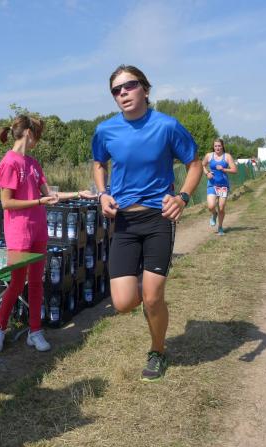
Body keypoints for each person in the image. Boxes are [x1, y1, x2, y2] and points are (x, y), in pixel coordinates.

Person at [92, 65, 202, 382]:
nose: (122, 93)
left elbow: (195, 164)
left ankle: (157, 350)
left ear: (145, 88)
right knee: (123, 302)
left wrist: (182, 197)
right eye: (116, 90)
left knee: (152, 297)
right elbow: (99, 163)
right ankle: (150, 301)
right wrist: (102, 194)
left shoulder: (167, 126)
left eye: (129, 86)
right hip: (124, 222)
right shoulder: (105, 130)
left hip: (158, 218)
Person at [0, 114, 95, 353]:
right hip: (19, 232)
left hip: (39, 230)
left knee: (37, 282)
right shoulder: (9, 163)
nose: (38, 141)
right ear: (28, 133)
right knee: (17, 283)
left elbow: (50, 195)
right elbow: (7, 203)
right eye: (37, 136)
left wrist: (78, 193)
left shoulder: (34, 164)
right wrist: (38, 201)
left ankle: (35, 331)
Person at [202, 139, 237, 235]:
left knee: (221, 208)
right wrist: (207, 173)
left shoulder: (227, 156)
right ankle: (214, 214)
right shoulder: (209, 156)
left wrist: (223, 169)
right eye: (215, 146)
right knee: (211, 206)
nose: (217, 148)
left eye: (219, 146)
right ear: (213, 147)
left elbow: (234, 170)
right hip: (212, 184)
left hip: (223, 186)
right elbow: (202, 165)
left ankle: (220, 227)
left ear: (222, 146)